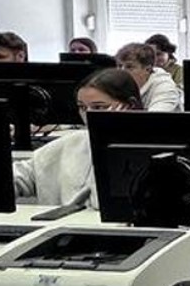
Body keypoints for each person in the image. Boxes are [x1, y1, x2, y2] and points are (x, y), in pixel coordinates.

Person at [9, 68, 140, 207]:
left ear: (129, 106)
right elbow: (22, 175)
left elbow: (100, 204)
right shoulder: (73, 142)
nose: (88, 115)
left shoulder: (145, 149)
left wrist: (107, 139)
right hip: (64, 226)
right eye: (82, 107)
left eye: (99, 108)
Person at [116, 42, 185, 113]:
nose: (122, 71)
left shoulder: (165, 88)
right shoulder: (119, 85)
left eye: (129, 67)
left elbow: (153, 121)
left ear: (147, 69)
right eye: (120, 66)